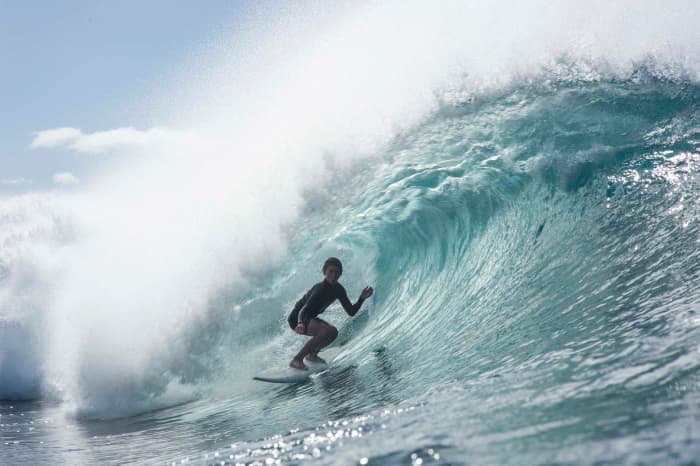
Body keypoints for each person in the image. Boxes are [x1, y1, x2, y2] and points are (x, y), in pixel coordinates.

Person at [287, 257, 373, 370]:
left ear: (341, 274)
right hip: (297, 318)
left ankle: (312, 355)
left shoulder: (339, 290)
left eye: (337, 272)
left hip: (309, 317)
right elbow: (303, 310)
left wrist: (361, 298)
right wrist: (300, 323)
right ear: (324, 271)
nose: (334, 275)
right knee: (325, 331)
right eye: (331, 271)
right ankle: (297, 359)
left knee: (333, 332)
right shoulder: (319, 289)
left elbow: (351, 312)